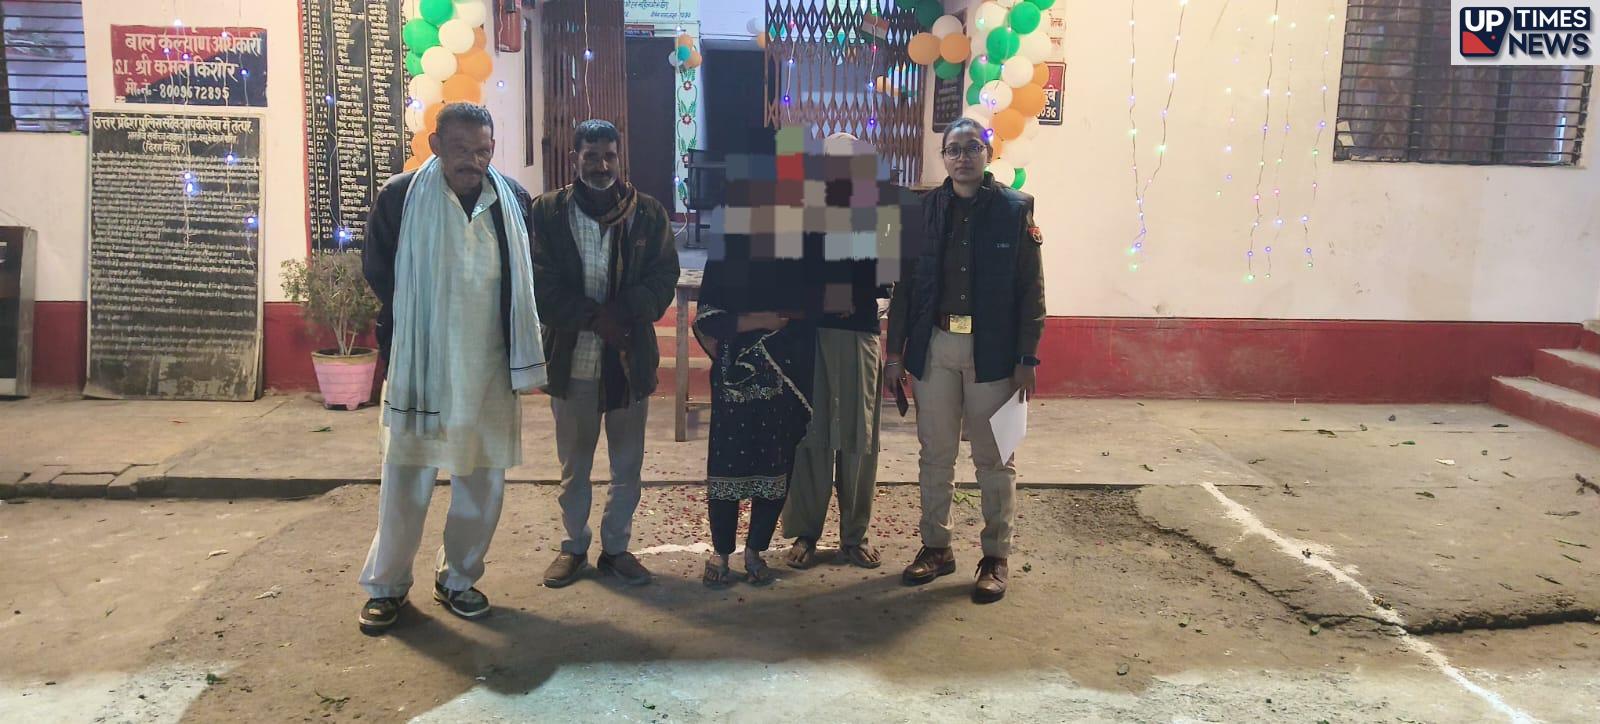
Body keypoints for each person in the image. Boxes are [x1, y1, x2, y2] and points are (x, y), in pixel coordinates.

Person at [357, 102, 545, 633]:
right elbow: (379, 269)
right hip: (421, 367)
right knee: (405, 482)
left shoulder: (513, 200)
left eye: (482, 150)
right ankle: (388, 587)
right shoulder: (400, 197)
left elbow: (527, 275)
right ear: (435, 145)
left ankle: (458, 579)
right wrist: (425, 322)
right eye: (461, 149)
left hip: (488, 367)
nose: (472, 160)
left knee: (482, 483)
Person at [886, 117, 1046, 604]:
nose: (962, 157)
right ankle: (937, 547)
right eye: (953, 149)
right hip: (935, 347)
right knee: (935, 454)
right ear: (943, 158)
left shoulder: (1015, 210)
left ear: (988, 154)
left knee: (996, 458)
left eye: (971, 147)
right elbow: (905, 287)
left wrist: (1027, 358)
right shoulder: (921, 211)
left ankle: (995, 556)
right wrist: (894, 353)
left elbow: (1031, 291)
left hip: (993, 352)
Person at [531, 119, 679, 588]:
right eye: (591, 156)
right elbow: (540, 283)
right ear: (574, 158)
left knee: (627, 466)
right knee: (574, 468)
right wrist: (597, 320)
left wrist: (623, 312)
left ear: (620, 157)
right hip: (571, 360)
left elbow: (664, 278)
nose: (601, 165)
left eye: (609, 156)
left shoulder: (647, 213)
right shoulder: (548, 212)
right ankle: (573, 547)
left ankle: (616, 549)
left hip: (628, 360)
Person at [781, 135, 890, 570]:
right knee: (810, 436)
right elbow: (788, 276)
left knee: (859, 438)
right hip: (812, 338)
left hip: (860, 337)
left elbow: (886, 279)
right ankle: (806, 532)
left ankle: (854, 534)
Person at [692, 277, 815, 588]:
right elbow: (709, 319)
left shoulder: (793, 257)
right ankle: (721, 552)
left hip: (785, 375)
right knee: (726, 462)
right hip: (733, 378)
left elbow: (811, 307)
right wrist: (760, 321)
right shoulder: (726, 255)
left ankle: (754, 551)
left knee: (775, 465)